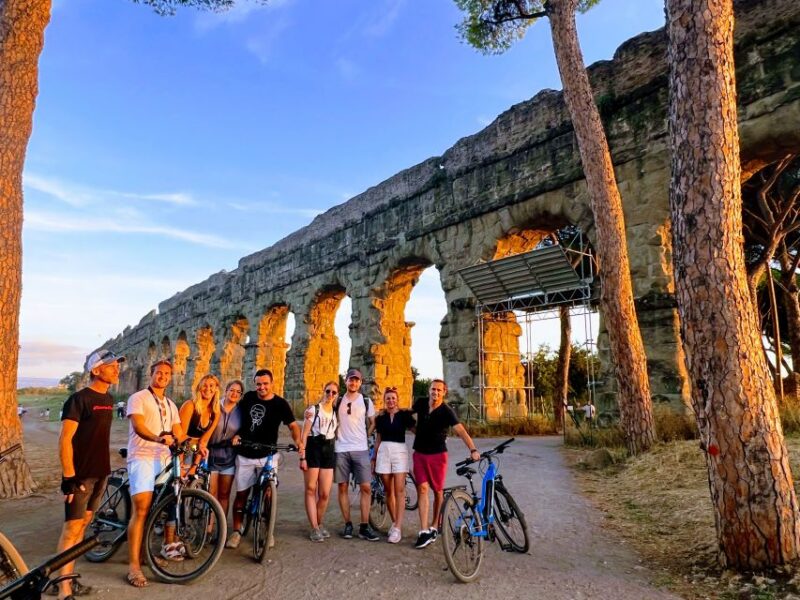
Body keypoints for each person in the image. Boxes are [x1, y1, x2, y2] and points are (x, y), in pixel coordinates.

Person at [53, 349, 124, 600]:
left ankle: (65, 578)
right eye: (111, 365)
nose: (116, 369)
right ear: (96, 370)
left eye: (117, 365)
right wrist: (68, 479)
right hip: (81, 476)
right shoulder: (78, 399)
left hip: (101, 473)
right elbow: (65, 440)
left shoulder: (110, 399)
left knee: (83, 525)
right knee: (72, 529)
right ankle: (63, 589)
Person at [125, 360, 186, 588]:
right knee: (141, 510)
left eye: (167, 373)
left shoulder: (171, 404)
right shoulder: (138, 397)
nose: (163, 376)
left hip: (164, 459)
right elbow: (139, 425)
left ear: (170, 378)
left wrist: (191, 444)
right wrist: (159, 438)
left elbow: (178, 431)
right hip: (142, 457)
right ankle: (133, 566)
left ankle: (145, 555)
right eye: (159, 372)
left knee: (155, 508)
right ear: (151, 375)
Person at [226, 369, 301, 550]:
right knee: (242, 494)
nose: (262, 387)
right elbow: (234, 417)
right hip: (245, 453)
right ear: (255, 384)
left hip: (268, 454)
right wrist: (235, 435)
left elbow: (292, 425)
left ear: (272, 383)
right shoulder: (249, 398)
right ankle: (236, 530)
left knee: (268, 494)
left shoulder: (280, 404)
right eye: (258, 384)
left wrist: (298, 441)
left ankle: (267, 530)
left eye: (265, 383)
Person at [412, 378, 480, 549]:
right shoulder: (420, 403)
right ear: (429, 390)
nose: (435, 392)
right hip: (419, 453)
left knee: (437, 491)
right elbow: (407, 416)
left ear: (444, 392)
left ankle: (435, 525)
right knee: (422, 488)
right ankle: (423, 530)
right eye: (433, 389)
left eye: (439, 390)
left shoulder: (446, 411)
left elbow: (460, 431)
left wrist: (473, 449)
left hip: (437, 455)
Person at [334, 368, 379, 541]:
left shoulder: (366, 401)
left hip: (360, 449)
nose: (353, 383)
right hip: (341, 448)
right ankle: (347, 524)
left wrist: (366, 435)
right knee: (342, 487)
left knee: (366, 487)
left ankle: (364, 526)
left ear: (360, 383)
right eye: (350, 380)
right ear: (346, 381)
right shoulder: (338, 400)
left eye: (356, 380)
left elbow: (373, 421)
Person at [372, 386, 415, 544]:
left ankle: (397, 528)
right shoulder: (381, 418)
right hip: (384, 450)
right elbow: (377, 439)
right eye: (388, 398)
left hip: (399, 451)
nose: (391, 401)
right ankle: (395, 522)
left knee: (399, 489)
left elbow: (416, 430)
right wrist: (373, 458)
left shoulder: (404, 415)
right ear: (385, 400)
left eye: (393, 398)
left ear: (397, 400)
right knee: (388, 490)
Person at [299, 381, 338, 542]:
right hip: (313, 447)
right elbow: (304, 434)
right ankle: (315, 527)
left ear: (337, 395)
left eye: (334, 392)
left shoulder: (336, 412)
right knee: (310, 488)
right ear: (323, 391)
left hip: (328, 449)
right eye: (328, 391)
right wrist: (302, 456)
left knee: (324, 493)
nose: (330, 395)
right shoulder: (313, 410)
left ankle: (319, 522)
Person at [207, 379, 243, 531]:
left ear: (241, 395)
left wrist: (239, 435)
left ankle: (220, 530)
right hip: (211, 454)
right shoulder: (214, 406)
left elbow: (245, 428)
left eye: (238, 392)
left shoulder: (241, 412)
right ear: (226, 390)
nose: (234, 394)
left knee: (224, 494)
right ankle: (209, 528)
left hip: (229, 456)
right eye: (232, 390)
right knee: (211, 494)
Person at [178, 374, 220, 474]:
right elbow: (180, 438)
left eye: (211, 385)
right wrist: (180, 465)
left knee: (193, 483)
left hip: (197, 453)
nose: (208, 389)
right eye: (204, 385)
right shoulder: (190, 406)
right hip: (181, 452)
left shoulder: (216, 412)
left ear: (216, 389)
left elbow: (204, 441)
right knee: (180, 485)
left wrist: (195, 465)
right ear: (199, 388)